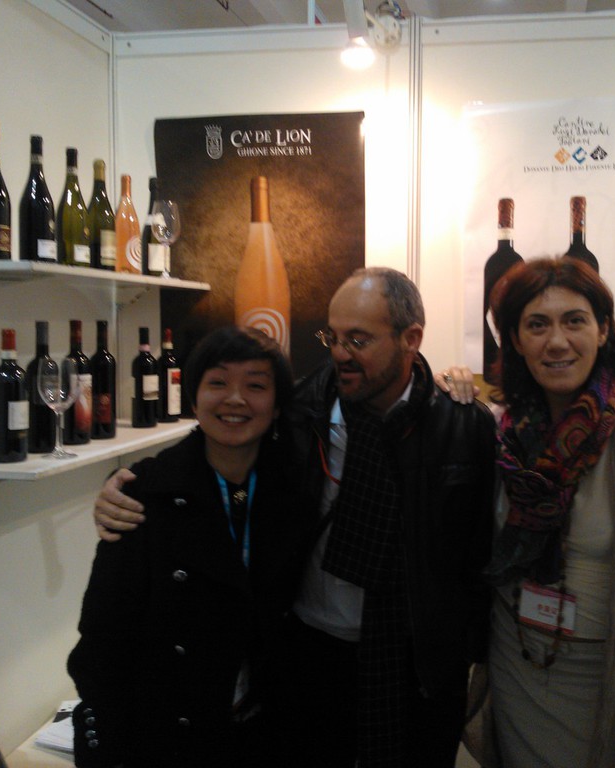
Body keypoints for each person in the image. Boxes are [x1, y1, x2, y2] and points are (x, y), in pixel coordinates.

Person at [92, 267, 498, 768]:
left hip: (415, 662)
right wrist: (131, 482)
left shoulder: (463, 426)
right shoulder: (300, 410)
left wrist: (463, 648)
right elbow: (218, 446)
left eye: (358, 340)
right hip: (307, 654)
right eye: (333, 336)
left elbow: (479, 553)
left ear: (410, 339)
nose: (340, 353)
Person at [466, 256, 615, 768]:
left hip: (609, 682)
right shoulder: (498, 436)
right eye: (537, 325)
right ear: (515, 341)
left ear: (602, 330)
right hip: (516, 673)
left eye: (574, 320)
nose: (557, 341)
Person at [67, 326, 311, 768]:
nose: (235, 399)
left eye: (255, 386)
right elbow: (102, 638)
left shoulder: (293, 490)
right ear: (193, 399)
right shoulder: (144, 494)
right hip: (169, 737)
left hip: (262, 731)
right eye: (217, 382)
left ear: (277, 406)